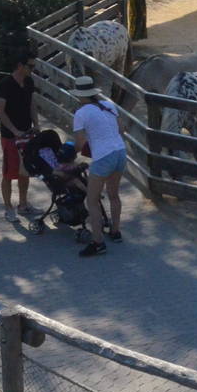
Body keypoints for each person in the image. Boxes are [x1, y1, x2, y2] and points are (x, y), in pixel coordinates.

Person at [71, 76, 125, 257]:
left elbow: (79, 142)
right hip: (120, 152)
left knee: (92, 200)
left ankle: (98, 241)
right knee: (114, 195)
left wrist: (72, 154)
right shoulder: (109, 105)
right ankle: (115, 232)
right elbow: (121, 129)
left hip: (103, 157)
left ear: (79, 95)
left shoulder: (81, 113)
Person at [0, 52, 39, 223]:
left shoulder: (29, 82)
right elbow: (0, 111)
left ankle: (23, 204)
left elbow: (32, 104)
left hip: (27, 133)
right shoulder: (5, 84)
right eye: (31, 66)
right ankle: (8, 207)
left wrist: (36, 123)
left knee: (25, 170)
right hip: (10, 137)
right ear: (20, 65)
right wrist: (14, 131)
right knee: (8, 172)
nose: (33, 69)